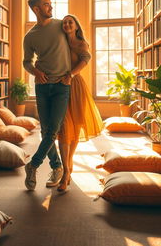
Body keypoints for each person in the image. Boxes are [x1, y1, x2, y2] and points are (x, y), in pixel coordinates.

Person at [23, 0, 72, 191]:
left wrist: (74, 73)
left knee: (52, 130)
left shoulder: (62, 25)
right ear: (36, 9)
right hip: (42, 87)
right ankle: (56, 166)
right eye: (46, 4)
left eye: (50, 3)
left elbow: (79, 45)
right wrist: (34, 71)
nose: (50, 7)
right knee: (46, 131)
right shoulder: (30, 36)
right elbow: (26, 62)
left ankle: (33, 165)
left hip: (62, 86)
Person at [57, 14, 104, 192]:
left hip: (75, 86)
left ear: (76, 26)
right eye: (64, 23)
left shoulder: (81, 43)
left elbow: (85, 60)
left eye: (70, 22)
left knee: (75, 128)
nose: (67, 24)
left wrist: (71, 75)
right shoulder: (59, 41)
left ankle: (67, 167)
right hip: (60, 86)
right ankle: (66, 170)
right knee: (63, 127)